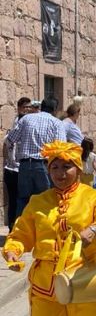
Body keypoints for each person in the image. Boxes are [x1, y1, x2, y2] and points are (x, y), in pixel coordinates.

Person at [3, 140, 96, 316]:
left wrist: (94, 229)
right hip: (46, 285)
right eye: (54, 167)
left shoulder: (93, 196)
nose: (60, 173)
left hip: (84, 279)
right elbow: (21, 234)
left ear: (79, 169)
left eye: (66, 167)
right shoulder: (38, 202)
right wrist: (13, 251)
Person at [5, 97, 66, 218]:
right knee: (46, 200)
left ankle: (20, 232)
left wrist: (13, 159)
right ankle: (42, 231)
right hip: (44, 166)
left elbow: (10, 139)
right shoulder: (56, 123)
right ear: (54, 110)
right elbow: (61, 149)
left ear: (41, 107)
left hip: (25, 165)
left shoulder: (26, 118)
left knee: (23, 200)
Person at [3, 97, 31, 229]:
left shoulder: (24, 122)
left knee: (20, 200)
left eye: (28, 107)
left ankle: (19, 229)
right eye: (24, 107)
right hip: (14, 169)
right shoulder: (19, 123)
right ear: (19, 108)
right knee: (15, 201)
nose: (27, 109)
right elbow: (9, 142)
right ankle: (14, 229)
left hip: (19, 168)